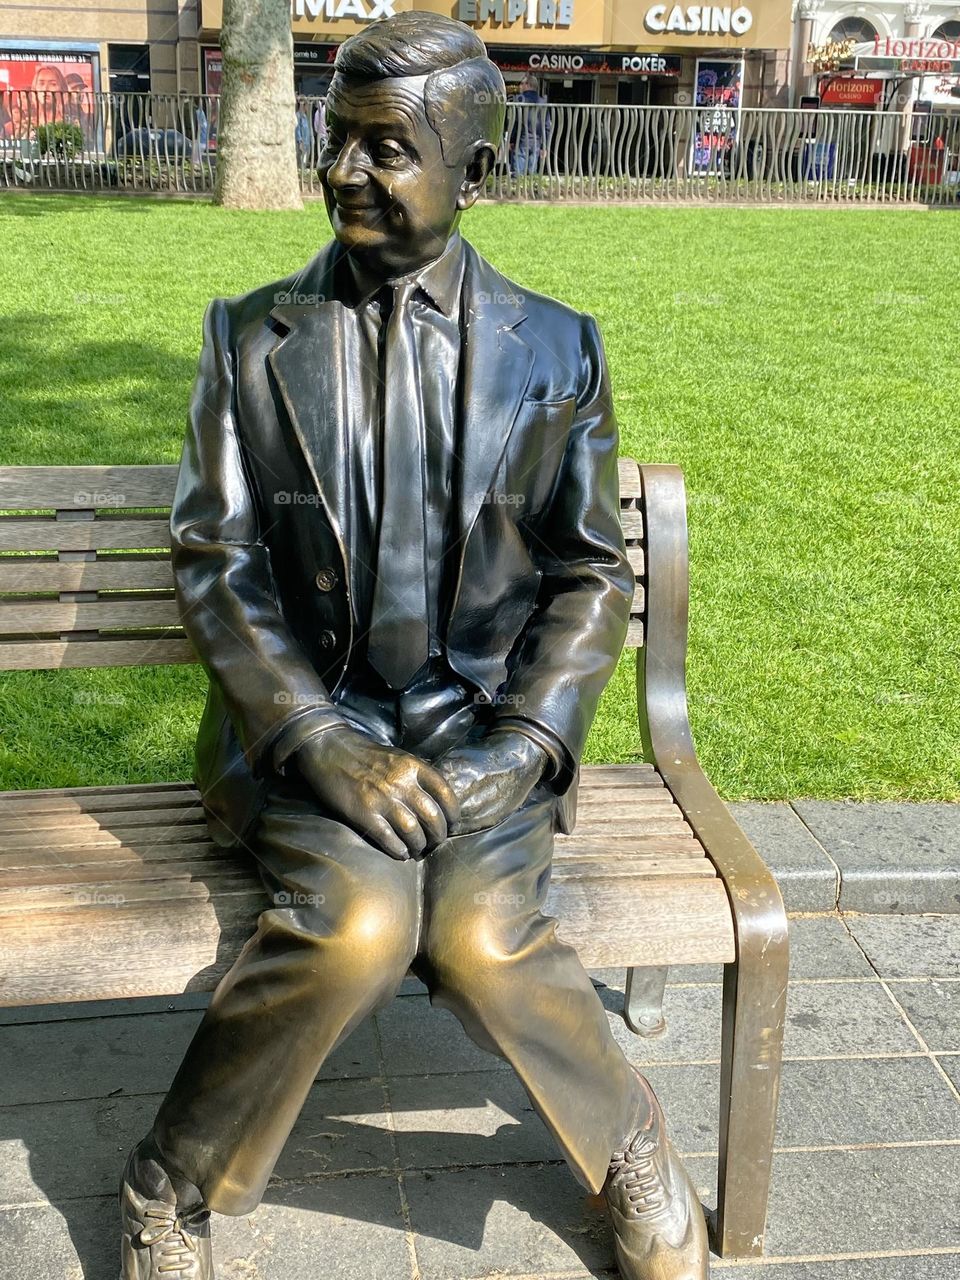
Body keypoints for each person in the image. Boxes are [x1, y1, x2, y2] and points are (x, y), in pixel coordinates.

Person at [118, 13, 708, 1280]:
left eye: (387, 148)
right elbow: (215, 561)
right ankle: (169, 1179)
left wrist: (530, 744)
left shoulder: (558, 349)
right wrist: (318, 741)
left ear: (474, 172)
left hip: (477, 731)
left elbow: (589, 572)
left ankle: (629, 1142)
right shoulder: (250, 337)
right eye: (337, 142)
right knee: (358, 928)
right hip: (310, 729)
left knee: (485, 938)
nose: (345, 174)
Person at [512, 72, 549, 176]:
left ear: (527, 85)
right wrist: (544, 146)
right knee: (532, 174)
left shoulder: (519, 99)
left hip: (522, 139)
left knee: (518, 174)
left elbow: (516, 121)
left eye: (521, 83)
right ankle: (530, 191)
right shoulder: (543, 102)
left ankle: (518, 191)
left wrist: (512, 139)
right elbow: (547, 126)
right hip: (537, 141)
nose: (520, 86)